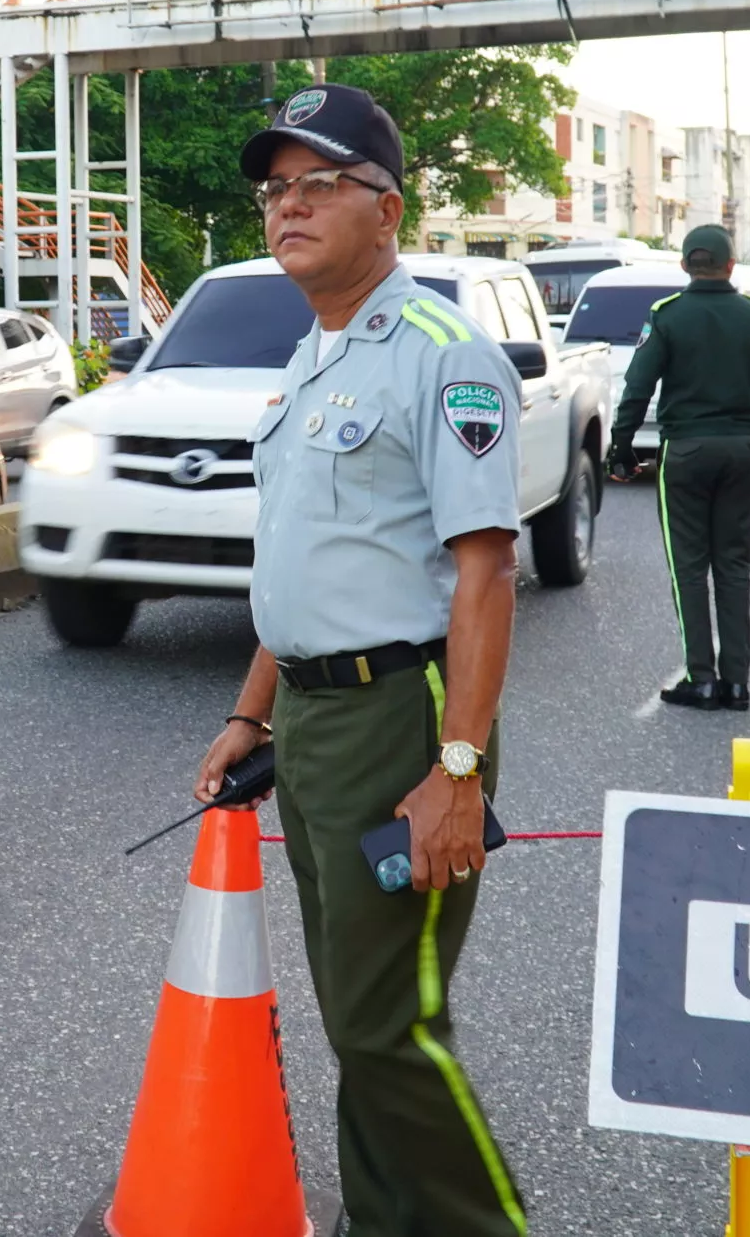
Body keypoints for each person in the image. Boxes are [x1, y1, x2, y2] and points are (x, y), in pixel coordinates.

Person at [195, 83, 530, 1237]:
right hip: (313, 718)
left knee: (392, 1023)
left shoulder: (444, 356)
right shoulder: (312, 352)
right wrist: (252, 715)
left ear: (386, 209)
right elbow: (301, 558)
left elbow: (485, 578)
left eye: (319, 184)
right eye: (275, 188)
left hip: (405, 714)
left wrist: (458, 769)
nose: (287, 206)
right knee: (352, 1012)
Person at [606, 224, 750, 712]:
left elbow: (638, 386)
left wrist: (622, 446)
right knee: (734, 566)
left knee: (689, 568)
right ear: (731, 265)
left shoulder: (667, 316)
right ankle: (736, 681)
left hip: (685, 452)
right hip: (741, 449)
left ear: (685, 265)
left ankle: (701, 677)